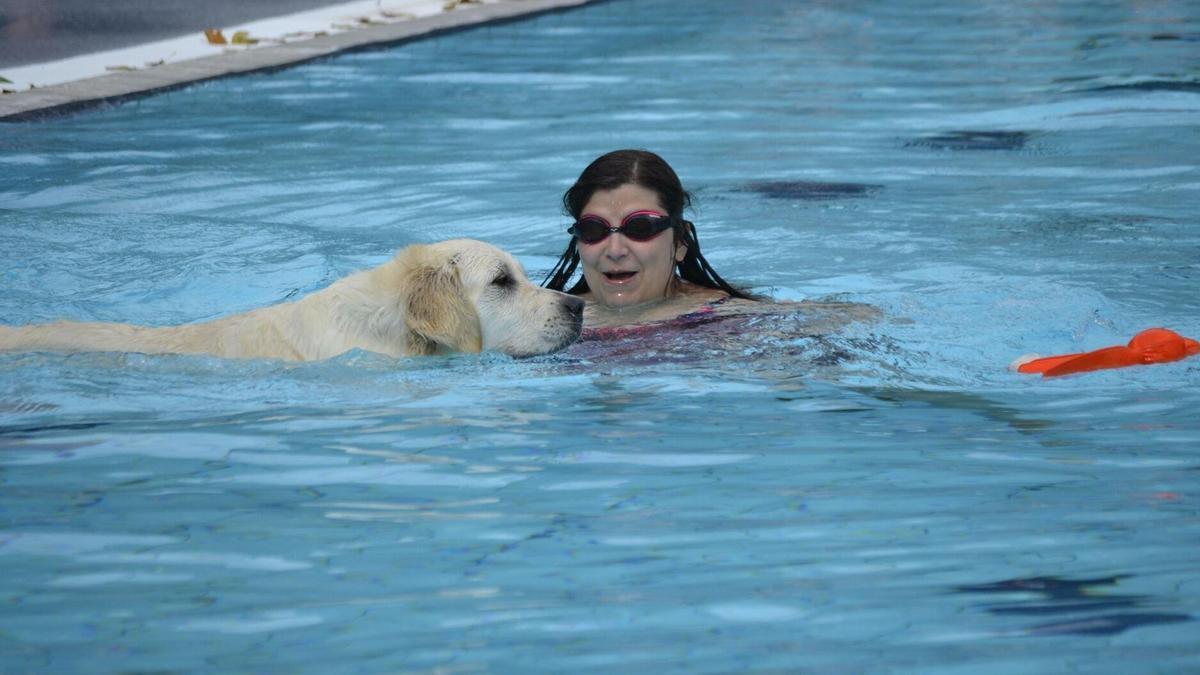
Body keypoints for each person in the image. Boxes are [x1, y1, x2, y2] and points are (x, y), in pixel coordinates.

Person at [543, 149, 758, 330]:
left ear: (680, 241)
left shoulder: (734, 320)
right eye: (593, 229)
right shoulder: (541, 322)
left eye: (640, 228)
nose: (615, 250)